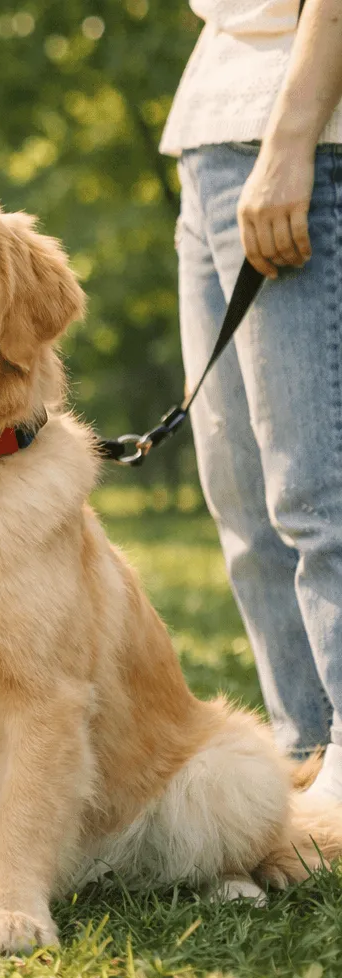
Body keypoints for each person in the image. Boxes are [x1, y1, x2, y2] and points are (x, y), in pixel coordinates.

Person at [161, 0, 342, 796]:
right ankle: (306, 762)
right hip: (211, 133)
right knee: (242, 503)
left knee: (316, 494)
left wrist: (292, 137)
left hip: (300, 137)